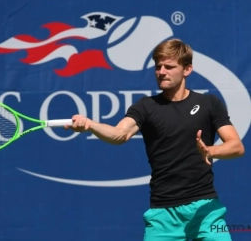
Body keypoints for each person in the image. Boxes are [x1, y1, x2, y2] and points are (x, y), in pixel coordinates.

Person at [65, 38, 245, 241]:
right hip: (162, 215)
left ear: (187, 70)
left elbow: (236, 146)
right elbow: (119, 134)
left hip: (206, 210)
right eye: (158, 66)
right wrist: (90, 125)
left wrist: (210, 151)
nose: (161, 71)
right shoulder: (145, 107)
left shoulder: (209, 103)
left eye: (169, 67)